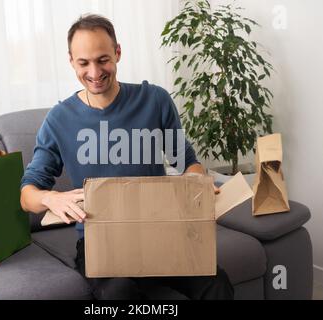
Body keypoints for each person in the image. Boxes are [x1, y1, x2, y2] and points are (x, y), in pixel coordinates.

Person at [20, 14, 234, 300]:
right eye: (84, 63)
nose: (94, 72)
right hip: (101, 242)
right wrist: (51, 198)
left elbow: (186, 161)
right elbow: (27, 195)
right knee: (117, 292)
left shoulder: (155, 100)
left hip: (161, 232)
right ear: (71, 61)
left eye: (103, 59)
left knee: (217, 283)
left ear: (118, 53)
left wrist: (197, 186)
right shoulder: (59, 119)